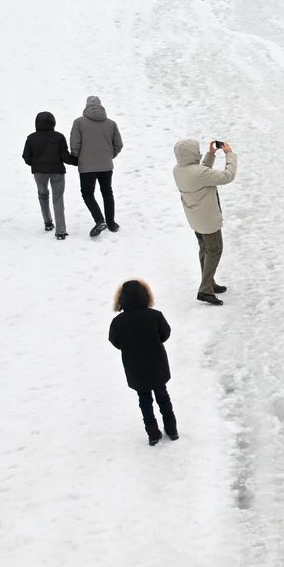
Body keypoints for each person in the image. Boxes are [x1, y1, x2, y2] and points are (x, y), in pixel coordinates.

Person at [108, 280, 179, 445]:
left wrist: (129, 347)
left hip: (135, 367)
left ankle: (152, 433)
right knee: (163, 396)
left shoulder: (118, 322)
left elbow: (115, 340)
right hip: (157, 364)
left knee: (144, 400)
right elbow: (165, 333)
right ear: (146, 296)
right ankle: (172, 429)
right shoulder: (155, 316)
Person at [172, 139, 237, 305]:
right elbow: (227, 176)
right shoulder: (198, 173)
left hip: (196, 219)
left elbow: (201, 172)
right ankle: (205, 290)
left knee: (205, 249)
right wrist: (229, 154)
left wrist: (211, 154)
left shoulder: (178, 170)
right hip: (208, 221)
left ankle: (209, 282)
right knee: (215, 250)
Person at [70, 95, 123, 237]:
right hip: (106, 166)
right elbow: (118, 144)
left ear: (86, 106)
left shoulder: (79, 122)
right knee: (107, 192)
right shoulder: (111, 124)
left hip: (86, 167)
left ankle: (99, 220)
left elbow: (75, 144)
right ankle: (111, 223)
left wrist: (78, 157)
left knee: (87, 194)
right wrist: (109, 156)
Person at [22, 111, 72, 239]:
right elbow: (65, 157)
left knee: (43, 195)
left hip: (39, 172)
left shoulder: (31, 138)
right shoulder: (59, 137)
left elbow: (26, 157)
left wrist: (36, 165)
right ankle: (61, 231)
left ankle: (48, 222)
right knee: (58, 198)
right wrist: (79, 161)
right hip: (57, 172)